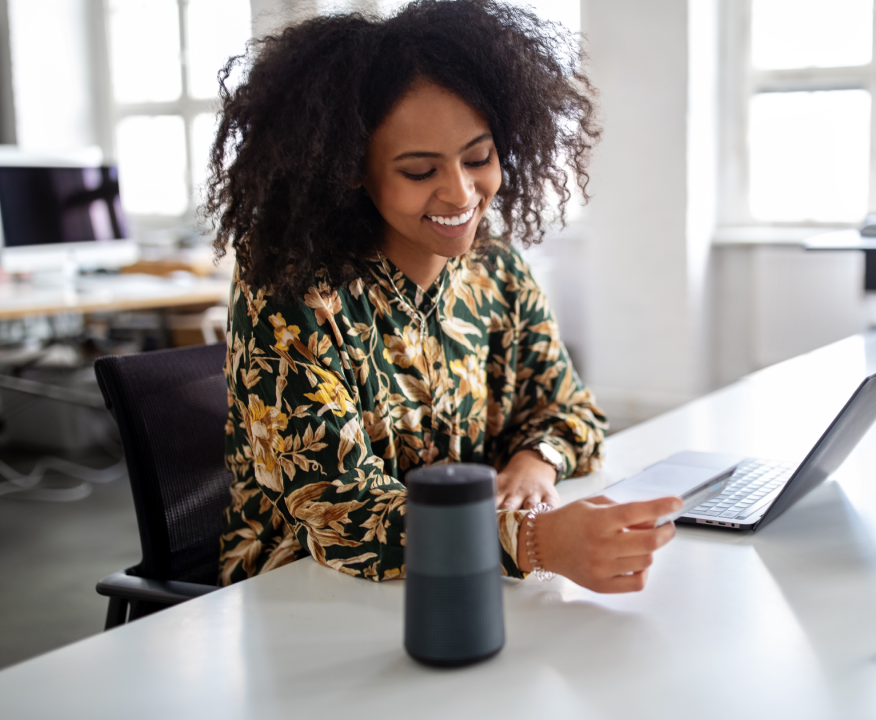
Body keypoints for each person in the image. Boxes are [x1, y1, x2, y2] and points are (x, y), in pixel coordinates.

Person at [208, 0, 680, 593]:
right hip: (303, 591)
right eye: (418, 171)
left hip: (463, 579)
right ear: (352, 167)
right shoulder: (293, 288)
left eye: (478, 158)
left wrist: (537, 460)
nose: (460, 193)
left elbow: (572, 412)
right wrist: (532, 541)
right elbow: (341, 514)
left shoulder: (496, 268)